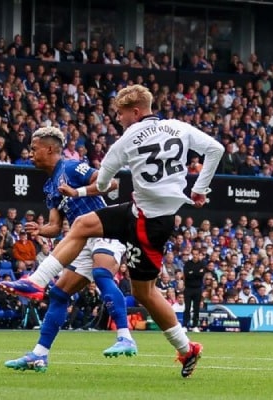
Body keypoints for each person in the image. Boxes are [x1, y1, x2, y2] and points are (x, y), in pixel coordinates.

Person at [29, 85, 223, 378]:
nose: (118, 119)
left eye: (120, 114)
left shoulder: (126, 139)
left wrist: (81, 189)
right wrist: (199, 189)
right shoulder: (178, 127)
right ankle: (35, 281)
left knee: (145, 292)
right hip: (143, 213)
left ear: (135, 111)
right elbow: (216, 149)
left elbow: (105, 184)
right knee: (83, 225)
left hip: (149, 223)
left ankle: (186, 349)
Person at [1, 126, 134, 374]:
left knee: (103, 274)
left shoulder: (71, 167)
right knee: (60, 294)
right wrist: (40, 230)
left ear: (50, 149)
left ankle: (125, 336)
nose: (30, 153)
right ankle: (39, 356)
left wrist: (78, 192)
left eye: (34, 148)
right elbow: (55, 226)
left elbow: (110, 184)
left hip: (105, 229)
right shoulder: (50, 186)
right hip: (81, 240)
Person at [183, 248, 206, 332]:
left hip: (197, 289)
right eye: (194, 254)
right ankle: (185, 325)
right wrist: (196, 273)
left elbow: (201, 274)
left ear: (199, 255)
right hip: (188, 288)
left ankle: (194, 326)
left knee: (196, 308)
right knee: (187, 307)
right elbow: (187, 275)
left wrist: (192, 272)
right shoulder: (188, 264)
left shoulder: (202, 264)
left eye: (197, 254)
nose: (195, 256)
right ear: (192, 254)